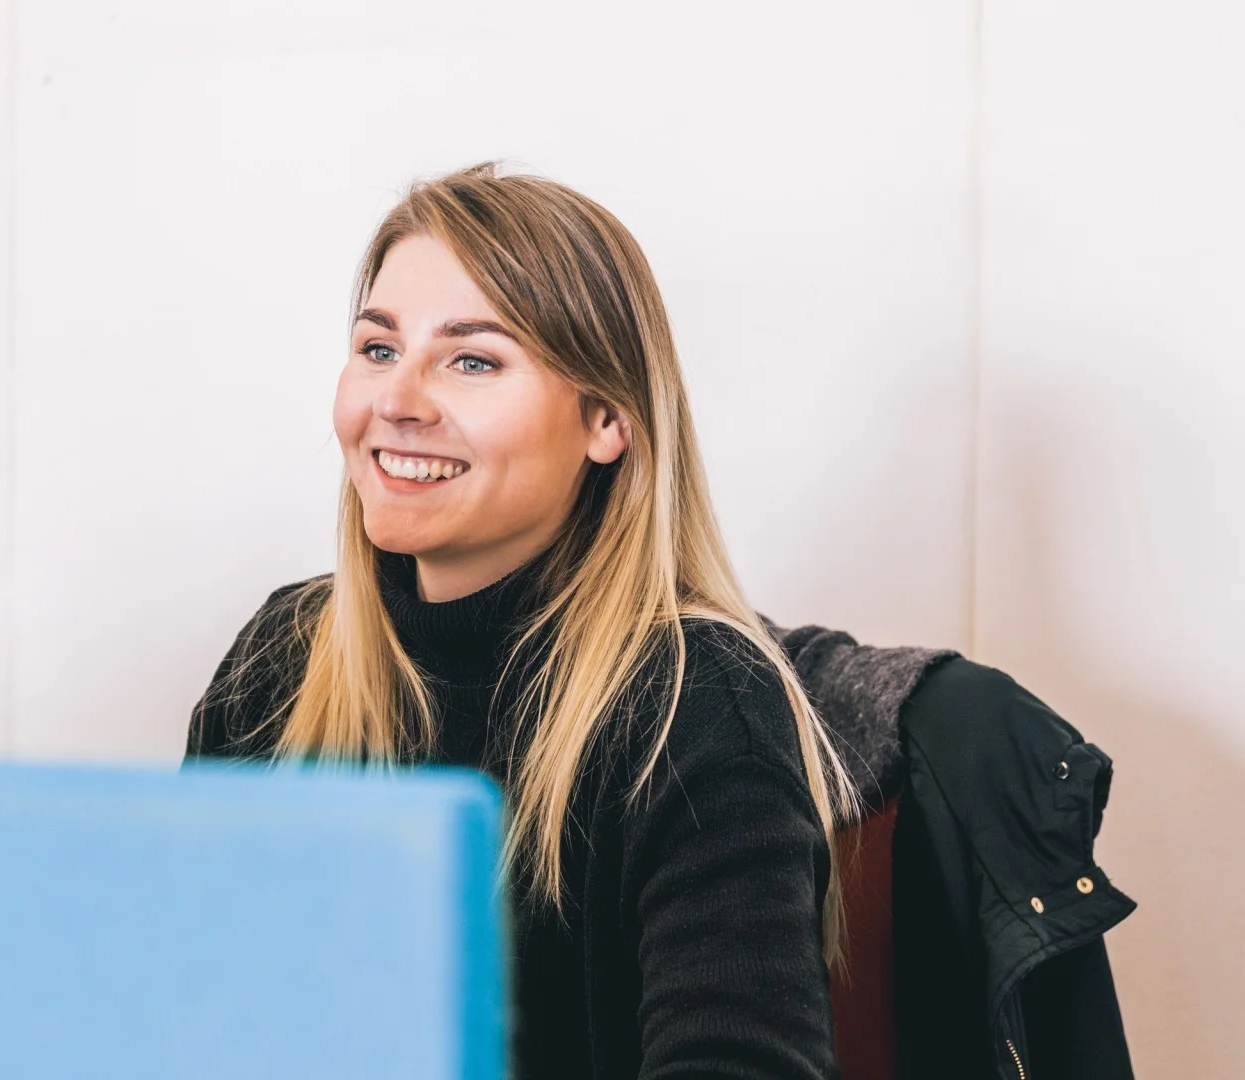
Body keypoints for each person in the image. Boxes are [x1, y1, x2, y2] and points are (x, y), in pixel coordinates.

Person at [185, 162, 856, 1080]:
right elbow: (184, 1012)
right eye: (378, 349)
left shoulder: (695, 705)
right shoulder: (283, 658)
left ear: (607, 419)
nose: (397, 401)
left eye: (473, 361)